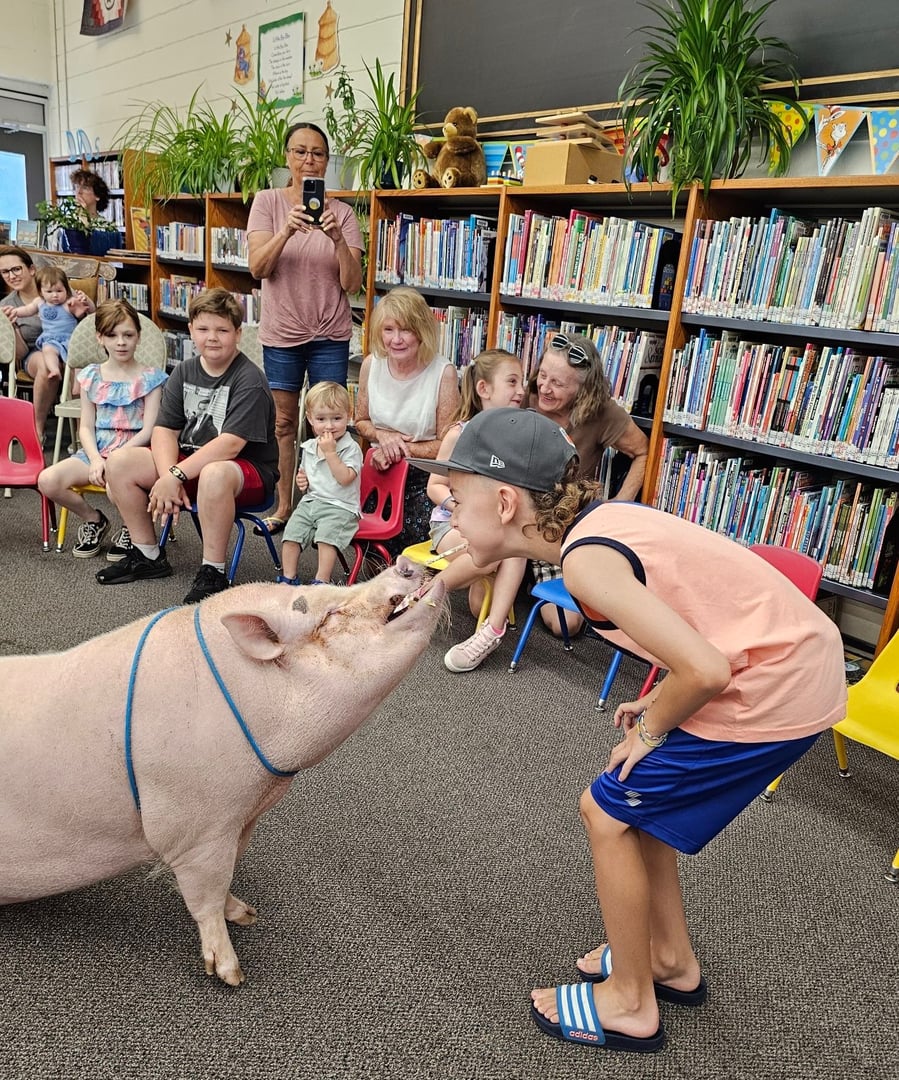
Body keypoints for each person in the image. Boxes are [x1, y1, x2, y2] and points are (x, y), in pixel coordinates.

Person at [409, 407, 846, 1054]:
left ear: (505, 502)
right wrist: (660, 708)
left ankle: (630, 1003)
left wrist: (651, 730)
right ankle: (668, 960)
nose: (445, 515)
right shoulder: (594, 531)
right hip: (783, 669)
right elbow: (696, 635)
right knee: (635, 813)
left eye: (455, 497)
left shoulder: (585, 565)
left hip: (770, 690)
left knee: (605, 811)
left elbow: (704, 667)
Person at [96, 287, 278, 605]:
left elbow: (230, 445)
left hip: (243, 472)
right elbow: (165, 429)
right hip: (188, 463)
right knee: (120, 461)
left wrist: (175, 476)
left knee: (214, 473)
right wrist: (169, 474)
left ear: (238, 333)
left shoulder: (250, 379)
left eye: (222, 330)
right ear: (191, 330)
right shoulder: (184, 370)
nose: (212, 337)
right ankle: (147, 553)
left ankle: (213, 571)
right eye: (204, 329)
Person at [247, 121, 364, 535]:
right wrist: (286, 230)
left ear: (327, 162)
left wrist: (335, 239)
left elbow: (353, 283)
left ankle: (331, 504)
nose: (309, 160)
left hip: (330, 333)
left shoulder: (344, 214)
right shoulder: (267, 202)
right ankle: (284, 505)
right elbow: (258, 268)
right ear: (287, 158)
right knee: (283, 423)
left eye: (317, 153)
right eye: (300, 151)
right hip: (283, 332)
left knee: (330, 422)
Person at [529, 332, 650, 636]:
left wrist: (618, 504)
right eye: (543, 375)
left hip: (556, 527)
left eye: (557, 384)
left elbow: (643, 451)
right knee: (478, 605)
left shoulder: (602, 413)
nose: (544, 387)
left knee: (566, 625)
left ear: (583, 390)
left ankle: (530, 577)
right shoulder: (523, 394)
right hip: (510, 515)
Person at [38, 298, 167, 560]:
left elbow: (149, 430)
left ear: (138, 337)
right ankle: (94, 519)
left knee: (114, 486)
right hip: (96, 450)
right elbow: (86, 426)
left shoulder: (151, 378)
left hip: (135, 452)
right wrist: (97, 459)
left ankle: (132, 529)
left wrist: (113, 461)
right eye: (112, 335)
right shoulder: (90, 375)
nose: (121, 342)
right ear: (100, 338)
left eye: (128, 335)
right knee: (47, 480)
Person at [425, 349, 527, 672]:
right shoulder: (460, 434)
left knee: (513, 546)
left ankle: (491, 631)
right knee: (499, 551)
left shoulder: (518, 439)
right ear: (484, 389)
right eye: (512, 381)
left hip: (493, 533)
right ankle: (430, 596)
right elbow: (434, 485)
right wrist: (462, 507)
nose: (522, 390)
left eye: (522, 382)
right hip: (452, 524)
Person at [353, 286, 461, 556]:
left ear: (421, 331)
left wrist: (400, 449)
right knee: (366, 545)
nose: (396, 339)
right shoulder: (371, 365)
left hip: (424, 477)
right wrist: (382, 436)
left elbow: (449, 444)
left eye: (406, 330)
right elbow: (360, 421)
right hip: (380, 471)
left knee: (414, 551)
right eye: (388, 330)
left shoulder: (443, 373)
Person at [276, 381, 362, 586]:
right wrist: (302, 481)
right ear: (310, 419)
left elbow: (345, 478)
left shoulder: (351, 448)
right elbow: (309, 480)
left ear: (348, 416)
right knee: (291, 535)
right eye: (321, 419)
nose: (329, 426)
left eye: (337, 418)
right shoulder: (309, 446)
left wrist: (331, 453)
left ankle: (321, 581)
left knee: (326, 538)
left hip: (341, 506)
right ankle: (288, 578)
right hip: (312, 501)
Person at [6, 266, 95, 439]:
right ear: (41, 292)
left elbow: (86, 314)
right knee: (48, 352)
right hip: (50, 340)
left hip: (70, 341)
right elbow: (26, 311)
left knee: (76, 363)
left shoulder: (69, 303)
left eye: (59, 291)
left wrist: (84, 302)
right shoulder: (39, 303)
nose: (55, 295)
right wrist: (14, 313)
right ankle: (53, 369)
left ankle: (78, 394)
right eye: (49, 291)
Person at [66, 168, 124, 256]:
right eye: (77, 187)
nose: (79, 192)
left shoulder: (108, 228)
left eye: (85, 187)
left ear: (97, 196)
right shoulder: (68, 222)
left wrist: (84, 218)